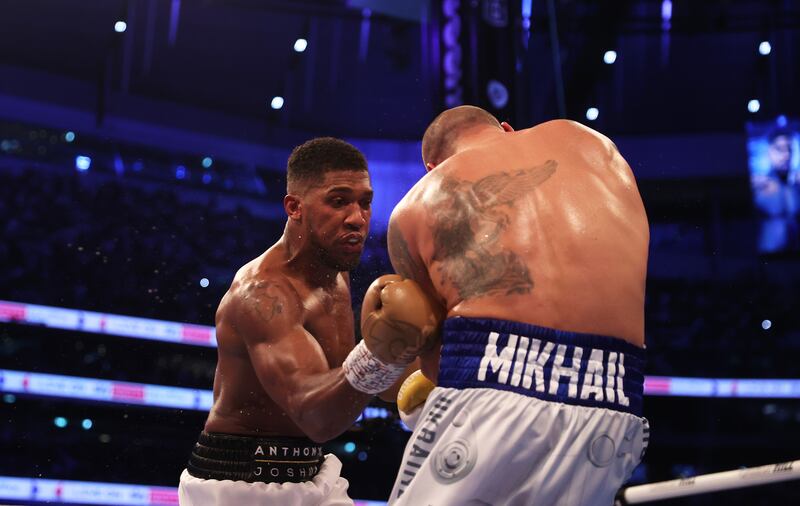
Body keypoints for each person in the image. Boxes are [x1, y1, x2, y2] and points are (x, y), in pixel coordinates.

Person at [386, 106, 651, 505]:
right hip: (614, 405)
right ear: (507, 130)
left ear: (432, 166)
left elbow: (436, 364)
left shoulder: (419, 203)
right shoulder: (593, 143)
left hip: (494, 398)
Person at [178, 137, 441, 506]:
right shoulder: (262, 295)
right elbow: (317, 419)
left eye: (365, 202)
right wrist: (381, 351)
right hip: (239, 485)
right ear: (294, 207)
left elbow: (354, 377)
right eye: (338, 202)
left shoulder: (335, 272)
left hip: (314, 472)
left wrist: (435, 365)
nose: (357, 218)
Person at [752, 127, 799, 253]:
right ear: (770, 151)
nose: (786, 155)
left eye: (789, 149)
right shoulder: (759, 184)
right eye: (780, 149)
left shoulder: (795, 184)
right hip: (769, 252)